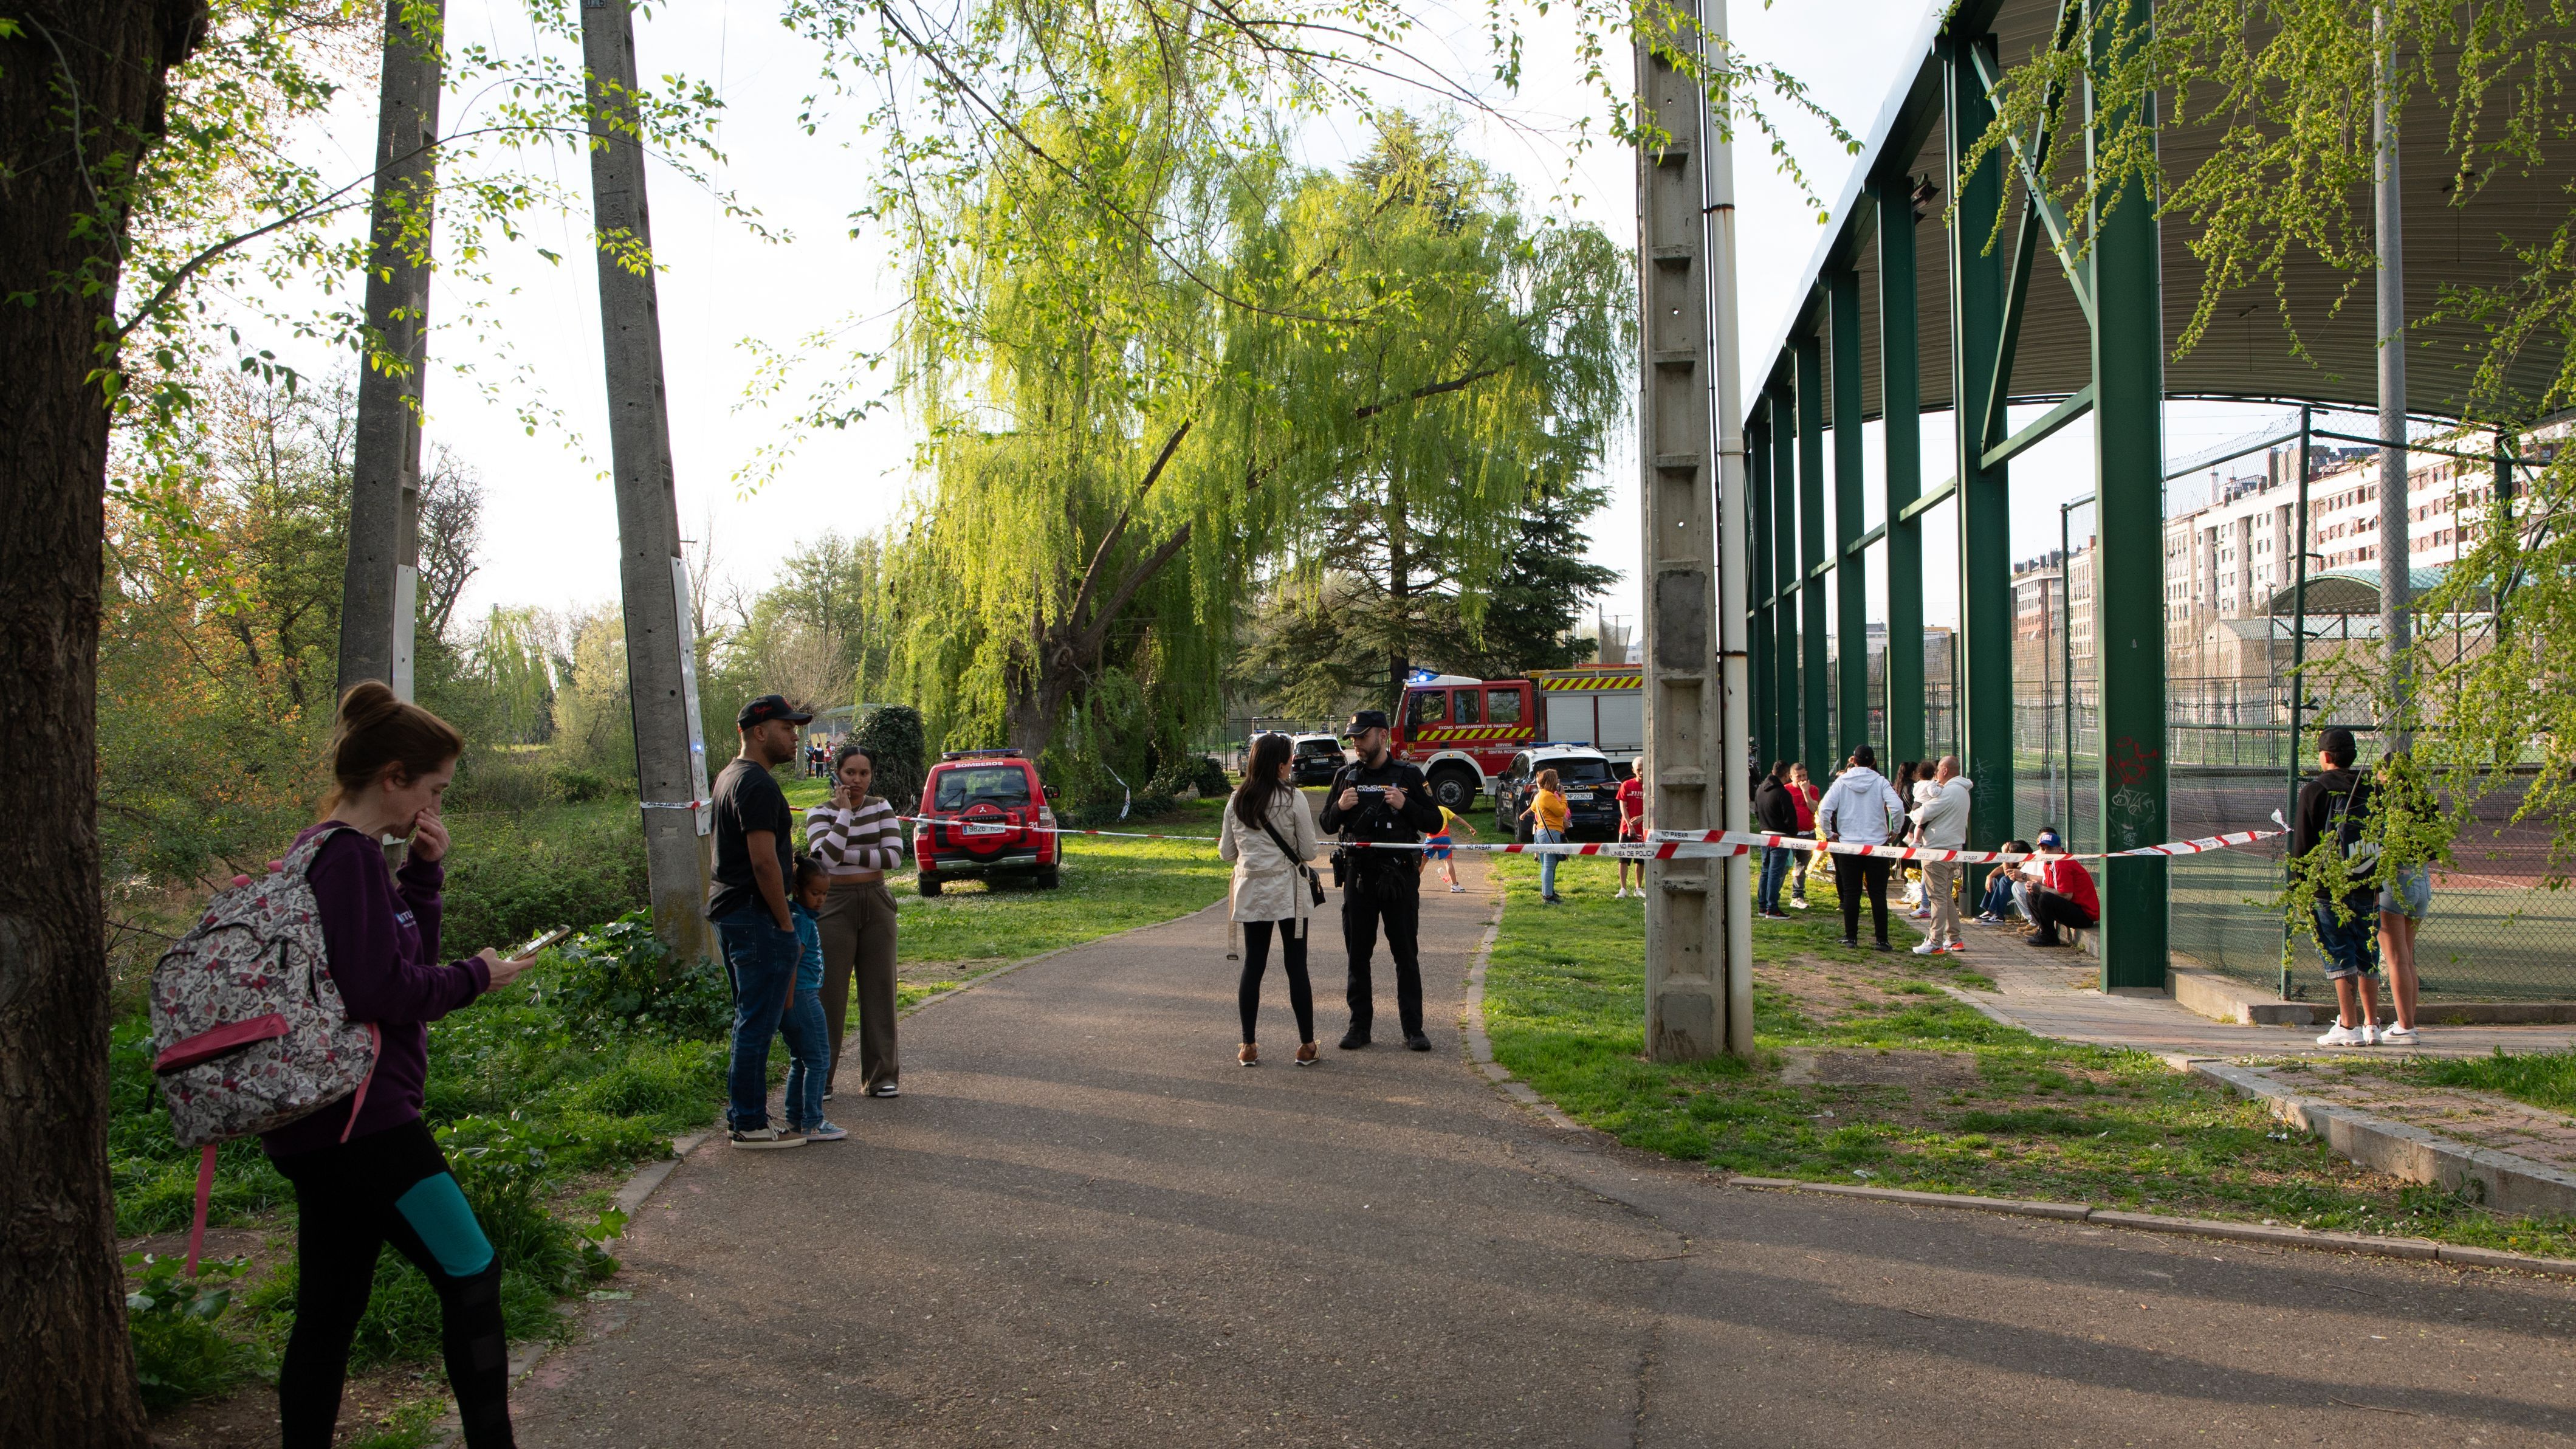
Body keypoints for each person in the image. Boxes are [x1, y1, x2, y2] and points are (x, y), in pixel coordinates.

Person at [264, 681, 543, 1449]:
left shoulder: (325, 851)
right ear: (394, 776)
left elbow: (395, 956)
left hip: (323, 1123)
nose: (434, 804)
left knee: (329, 1308)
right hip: (367, 1120)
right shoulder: (346, 856)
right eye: (433, 788)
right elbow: (383, 988)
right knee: (473, 1272)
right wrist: (478, 975)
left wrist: (423, 875)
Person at [709, 694, 813, 1148]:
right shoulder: (755, 784)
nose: (796, 737)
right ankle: (749, 1124)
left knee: (749, 1019)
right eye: (788, 728)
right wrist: (786, 926)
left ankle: (746, 1115)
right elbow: (764, 862)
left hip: (733, 912)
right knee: (756, 1022)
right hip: (754, 916)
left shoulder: (731, 777)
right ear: (759, 731)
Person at [1319, 709, 1446, 1051]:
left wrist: (1406, 805)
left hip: (1399, 878)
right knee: (1358, 955)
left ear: (1383, 736)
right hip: (1358, 877)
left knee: (1405, 954)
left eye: (1362, 736)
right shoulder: (1345, 776)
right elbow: (1327, 824)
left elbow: (1434, 822)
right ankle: (1359, 1027)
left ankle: (1413, 1029)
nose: (1357, 744)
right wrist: (1340, 808)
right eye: (1354, 738)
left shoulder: (1408, 774)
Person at [1217, 733, 1328, 1066]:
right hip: (1288, 891)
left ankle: (1248, 1045)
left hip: (1252, 891)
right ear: (1280, 765)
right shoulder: (1294, 799)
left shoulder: (1237, 800)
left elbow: (1226, 853)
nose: (1293, 763)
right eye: (1290, 759)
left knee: (1254, 966)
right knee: (1296, 967)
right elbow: (1308, 851)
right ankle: (1307, 1045)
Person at [804, 741, 907, 1098]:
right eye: (851, 772)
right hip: (834, 905)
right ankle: (821, 1079)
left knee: (880, 990)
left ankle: (881, 1077)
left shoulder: (882, 807)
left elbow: (893, 858)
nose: (858, 780)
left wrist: (843, 852)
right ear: (837, 773)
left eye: (865, 773)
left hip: (877, 902)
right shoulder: (818, 813)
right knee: (827, 993)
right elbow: (825, 864)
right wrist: (845, 814)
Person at [2292, 727, 2383, 1045]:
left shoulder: (2316, 790)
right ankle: (2373, 1025)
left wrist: (2298, 886)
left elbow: (2303, 842)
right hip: (2368, 881)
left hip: (2329, 887)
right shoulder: (2370, 788)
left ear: (2326, 757)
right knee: (2368, 951)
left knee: (2339, 952)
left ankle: (2348, 1025)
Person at [778, 858, 848, 1140]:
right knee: (819, 1059)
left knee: (800, 1059)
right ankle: (813, 1122)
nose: (820, 900)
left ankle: (796, 1119)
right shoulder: (801, 922)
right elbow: (792, 961)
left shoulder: (796, 917)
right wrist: (791, 1001)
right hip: (803, 997)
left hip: (798, 999)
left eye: (825, 894)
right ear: (797, 890)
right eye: (815, 893)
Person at [1816, 746, 1906, 949]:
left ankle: (1851, 937)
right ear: (1873, 761)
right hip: (1877, 846)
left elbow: (1824, 809)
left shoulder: (1841, 782)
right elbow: (1898, 807)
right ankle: (1882, 940)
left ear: (1853, 760)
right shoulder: (1880, 782)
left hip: (1849, 846)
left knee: (1851, 892)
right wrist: (1896, 830)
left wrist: (1830, 834)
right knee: (1878, 894)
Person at [2374, 752, 2434, 1045]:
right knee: (2407, 957)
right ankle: (2405, 1023)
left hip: (2395, 881)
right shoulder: (2423, 802)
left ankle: (2406, 1026)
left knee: (2396, 958)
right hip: (2421, 880)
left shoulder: (2385, 805)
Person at [1908, 756, 1973, 955]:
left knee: (1937, 898)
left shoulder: (1949, 792)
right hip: (1952, 850)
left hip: (1936, 851)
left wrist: (1914, 812)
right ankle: (1954, 938)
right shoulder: (1962, 791)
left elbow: (1921, 815)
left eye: (1937, 772)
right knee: (1944, 896)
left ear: (1944, 771)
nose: (1935, 776)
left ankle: (1935, 941)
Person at [2019, 829, 2099, 948]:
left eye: (2049, 849)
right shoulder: (2049, 863)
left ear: (2059, 849)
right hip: (2073, 908)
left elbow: (2066, 895)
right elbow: (2048, 884)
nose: (2045, 852)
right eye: (2043, 849)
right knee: (2031, 894)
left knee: (2045, 897)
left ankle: (2049, 936)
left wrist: (2039, 888)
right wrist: (2033, 886)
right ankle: (2042, 930)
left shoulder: (2061, 863)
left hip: (2085, 916)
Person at [1519, 767, 1572, 904]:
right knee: (1549, 865)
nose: (1558, 782)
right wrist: (1563, 796)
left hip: (1541, 832)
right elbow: (1561, 811)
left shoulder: (1538, 796)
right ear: (1551, 781)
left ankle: (1547, 892)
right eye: (1556, 779)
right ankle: (1548, 896)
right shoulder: (1548, 796)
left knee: (1546, 865)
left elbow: (1534, 809)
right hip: (1551, 832)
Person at [1754, 762, 1800, 918]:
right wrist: (1792, 834)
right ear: (1787, 775)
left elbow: (1756, 811)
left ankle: (1763, 906)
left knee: (1765, 870)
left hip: (1764, 834)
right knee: (1775, 872)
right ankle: (1772, 908)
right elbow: (1791, 818)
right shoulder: (1783, 793)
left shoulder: (1760, 789)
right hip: (1780, 837)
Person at [1973, 842, 2035, 924]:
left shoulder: (2029, 860)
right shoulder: (2016, 860)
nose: (2008, 853)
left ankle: (1999, 916)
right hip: (2017, 884)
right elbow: (2002, 868)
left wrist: (2004, 854)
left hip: (2026, 886)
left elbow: (2007, 874)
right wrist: (1990, 876)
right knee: (1996, 878)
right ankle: (1990, 912)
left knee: (2005, 880)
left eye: (2009, 852)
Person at [1787, 763, 1822, 907]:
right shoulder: (1786, 790)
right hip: (1792, 835)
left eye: (1804, 775)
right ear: (1791, 777)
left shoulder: (1813, 789)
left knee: (1802, 867)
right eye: (1798, 776)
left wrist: (1805, 792)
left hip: (1808, 834)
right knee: (1785, 866)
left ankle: (1798, 896)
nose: (1802, 779)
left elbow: (1814, 808)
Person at [1431, 802, 1480, 893]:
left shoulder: (1426, 810)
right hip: (1444, 839)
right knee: (1448, 861)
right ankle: (1455, 886)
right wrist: (1470, 827)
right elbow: (1457, 818)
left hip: (1430, 839)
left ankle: (1412, 884)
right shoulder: (1443, 809)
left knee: (1422, 861)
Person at [1615, 771, 1647, 900]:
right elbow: (1623, 807)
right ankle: (1623, 889)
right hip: (1626, 828)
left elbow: (1654, 807)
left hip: (1644, 828)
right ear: (1633, 770)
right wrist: (1629, 826)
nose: (1641, 772)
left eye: (1643, 768)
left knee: (1640, 860)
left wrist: (1642, 818)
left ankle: (1638, 888)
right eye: (1638, 769)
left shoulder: (1649, 786)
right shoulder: (1627, 785)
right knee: (1623, 859)